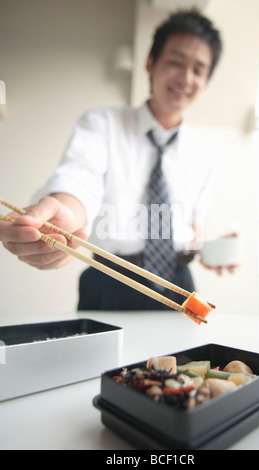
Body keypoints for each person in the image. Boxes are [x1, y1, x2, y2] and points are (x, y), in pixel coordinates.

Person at [0, 9, 228, 311]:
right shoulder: (102, 123)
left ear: (206, 80)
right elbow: (79, 177)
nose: (187, 77)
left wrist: (214, 250)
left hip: (180, 284)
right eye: (176, 62)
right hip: (109, 281)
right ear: (151, 62)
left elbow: (193, 226)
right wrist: (65, 214)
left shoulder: (203, 155)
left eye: (199, 70)